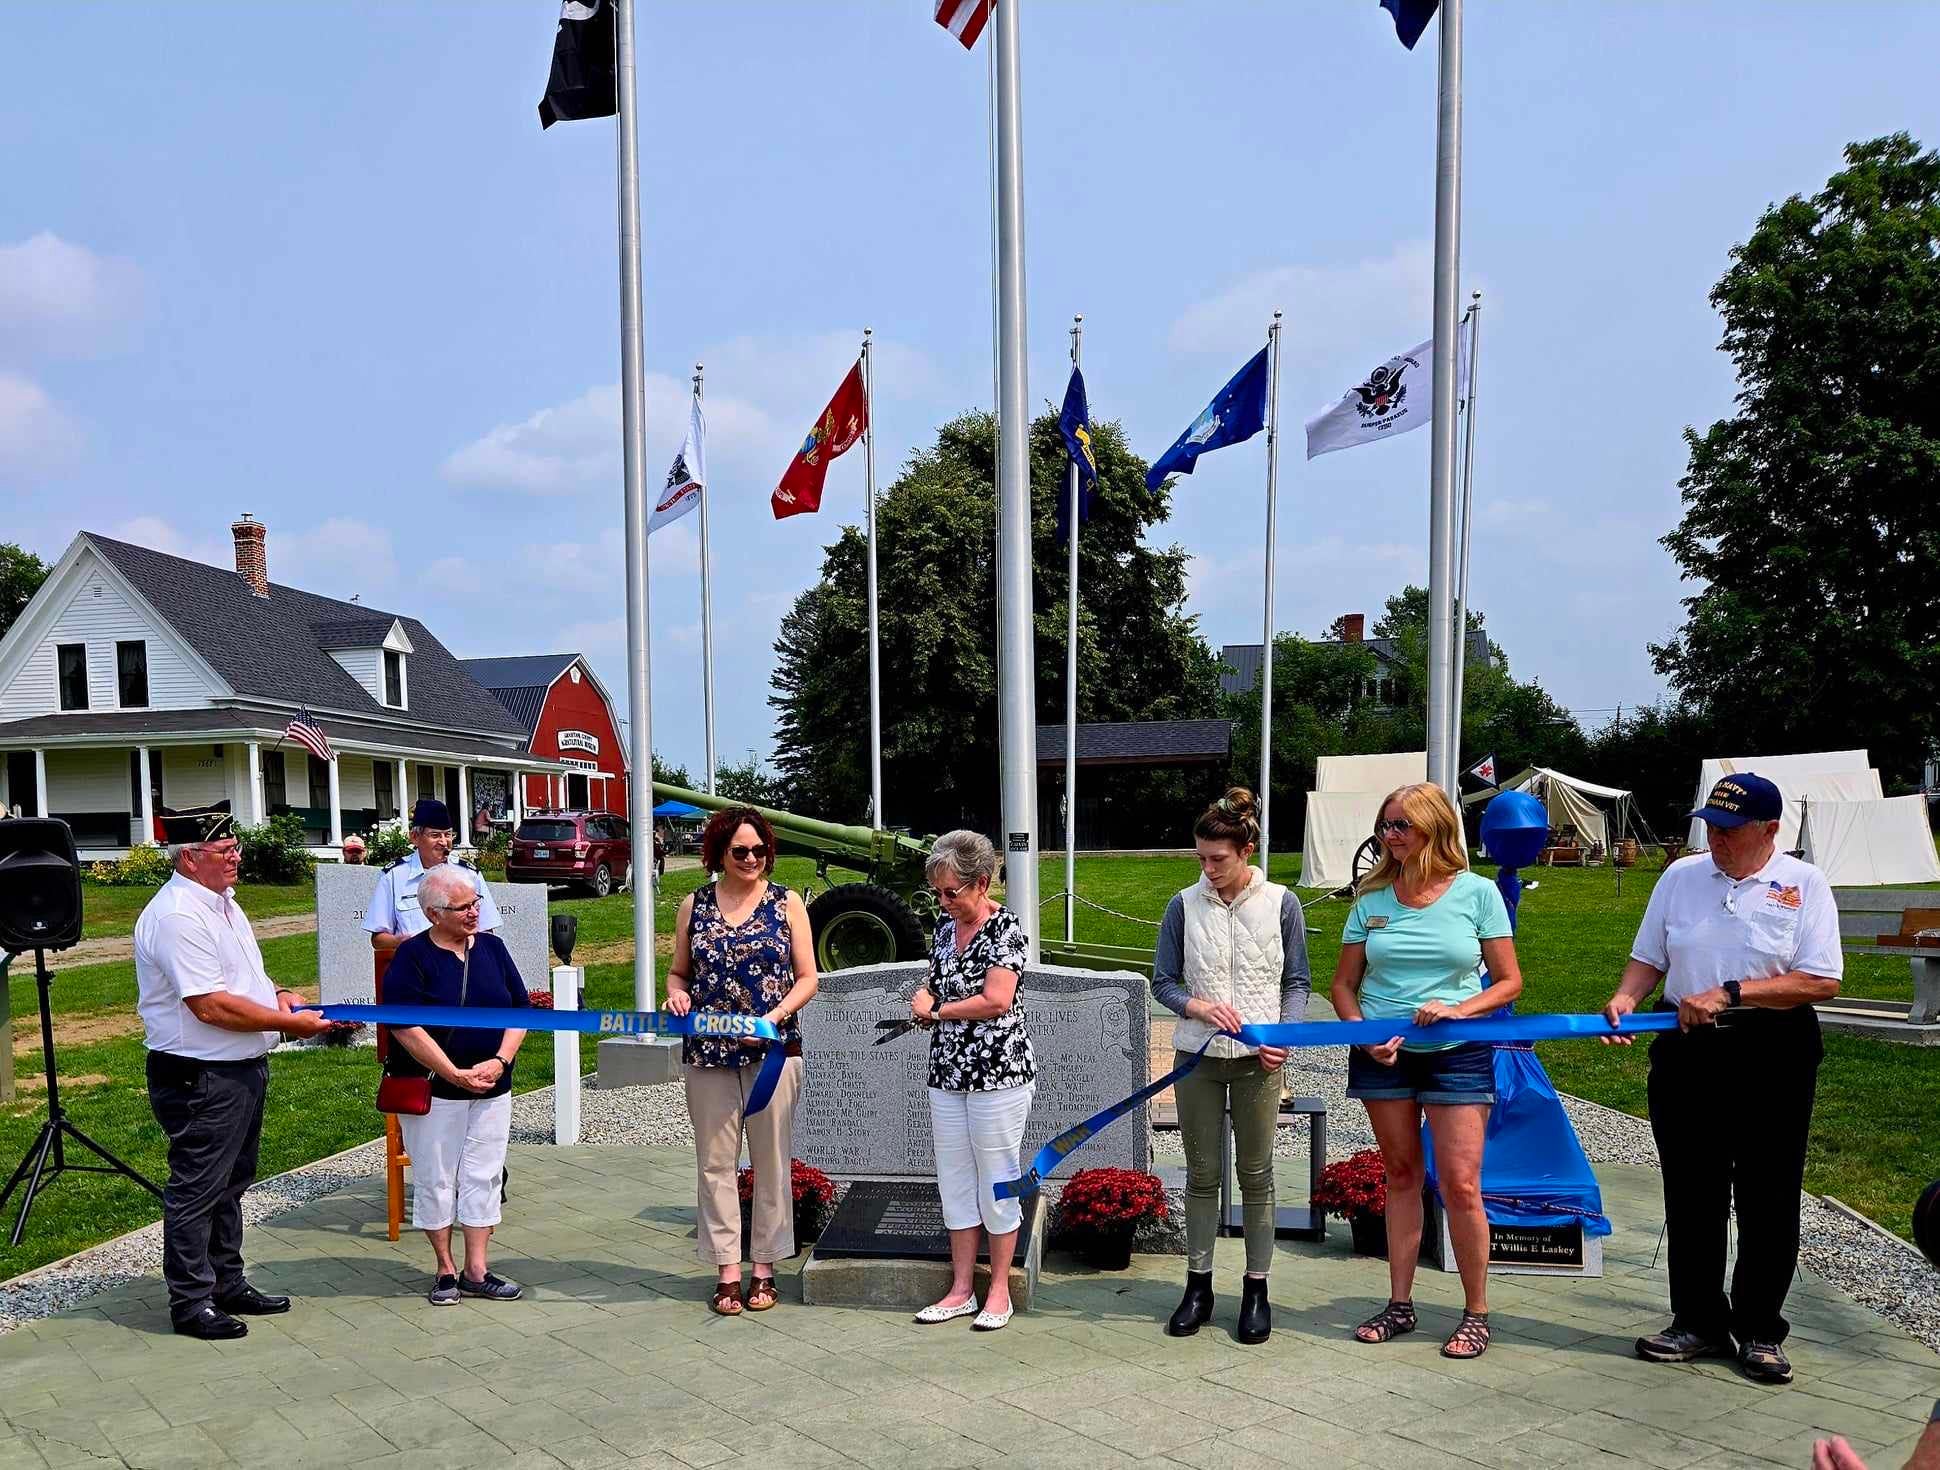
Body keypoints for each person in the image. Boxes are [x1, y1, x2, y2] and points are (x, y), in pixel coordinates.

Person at [1600, 772, 1841, 1385]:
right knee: (1692, 1192)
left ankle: (1759, 1329)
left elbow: (1820, 980)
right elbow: (1649, 957)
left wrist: (1731, 993)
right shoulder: (1680, 877)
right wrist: (1627, 998)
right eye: (1710, 825)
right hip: (1689, 1051)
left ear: (1769, 830)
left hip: (1772, 1047)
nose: (1717, 838)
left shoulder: (1803, 883)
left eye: (1731, 830)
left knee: (1769, 1193)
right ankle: (1698, 1321)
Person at [1331, 782, 1522, 1360]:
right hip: (1383, 1056)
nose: (1389, 836)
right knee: (1401, 1175)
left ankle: (1476, 1311)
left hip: (1457, 1052)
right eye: (1384, 825)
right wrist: (1366, 1036)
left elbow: (1510, 981)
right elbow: (1342, 986)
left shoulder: (1477, 894)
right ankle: (1400, 1303)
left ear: (1434, 828)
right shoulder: (1371, 900)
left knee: (1462, 1184)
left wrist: (1458, 1010)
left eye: (1401, 826)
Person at [134, 807, 337, 1339]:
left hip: (238, 1066)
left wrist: (282, 998)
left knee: (231, 1183)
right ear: (190, 857)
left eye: (236, 847)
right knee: (198, 1188)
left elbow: (246, 979)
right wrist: (288, 1025)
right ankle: (190, 1301)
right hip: (200, 1074)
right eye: (225, 851)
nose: (236, 857)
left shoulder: (224, 904)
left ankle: (227, 1281)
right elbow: (210, 1006)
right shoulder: (178, 915)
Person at [1150, 787, 1308, 1346]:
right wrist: (1197, 1006)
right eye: (1201, 859)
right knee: (1201, 1175)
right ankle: (1198, 1286)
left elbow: (1297, 983)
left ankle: (1257, 1288)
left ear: (1247, 850)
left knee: (1258, 1175)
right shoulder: (1182, 905)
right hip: (1197, 1058)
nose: (1208, 869)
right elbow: (1163, 981)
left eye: (1218, 859)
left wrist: (1281, 1037)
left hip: (1258, 1064)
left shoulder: (1282, 902)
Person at [664, 806, 817, 1316]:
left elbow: (808, 978)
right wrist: (676, 996)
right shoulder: (694, 905)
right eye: (740, 851)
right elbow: (678, 973)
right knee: (715, 1163)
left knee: (771, 1160)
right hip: (708, 1055)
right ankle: (727, 1268)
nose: (752, 858)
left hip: (773, 1052)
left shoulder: (787, 903)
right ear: (719, 853)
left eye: (759, 850)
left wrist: (772, 1017)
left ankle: (765, 1267)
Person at [382, 864, 531, 1305]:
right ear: (433, 913)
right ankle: (445, 1268)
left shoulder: (493, 949)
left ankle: (477, 1268)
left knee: (483, 1176)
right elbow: (404, 1026)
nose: (473, 913)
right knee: (436, 1178)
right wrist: (452, 1071)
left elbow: (519, 1009)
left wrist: (501, 1061)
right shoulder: (412, 958)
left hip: (492, 1087)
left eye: (475, 903)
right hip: (436, 1091)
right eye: (462, 906)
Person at [908, 830, 1036, 1333]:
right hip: (948, 1073)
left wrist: (937, 1011)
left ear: (981, 884)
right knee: (955, 1179)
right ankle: (961, 1288)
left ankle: (998, 1288)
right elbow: (934, 978)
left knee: (997, 1179)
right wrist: (922, 997)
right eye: (938, 893)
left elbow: (997, 1000)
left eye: (952, 892)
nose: (944, 902)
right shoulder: (946, 928)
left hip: (999, 1073)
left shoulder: (1007, 929)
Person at [364, 798, 502, 952]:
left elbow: (487, 930)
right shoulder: (394, 876)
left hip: (460, 965)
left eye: (448, 835)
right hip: (414, 966)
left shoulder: (469, 873)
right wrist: (403, 942)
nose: (444, 842)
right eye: (435, 835)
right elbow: (378, 939)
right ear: (415, 837)